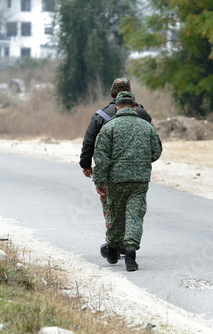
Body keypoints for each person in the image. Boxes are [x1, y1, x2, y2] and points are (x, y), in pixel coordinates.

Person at [79, 78, 152, 252]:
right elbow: (151, 143)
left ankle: (114, 244)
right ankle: (127, 244)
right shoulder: (142, 114)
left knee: (111, 207)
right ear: (130, 93)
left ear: (112, 94)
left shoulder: (100, 115)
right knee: (133, 209)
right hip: (137, 174)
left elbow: (88, 143)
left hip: (111, 173)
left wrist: (86, 165)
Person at [92, 91, 162, 271]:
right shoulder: (146, 127)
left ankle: (113, 250)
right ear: (135, 107)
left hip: (116, 180)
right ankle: (130, 256)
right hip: (139, 180)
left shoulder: (109, 128)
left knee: (116, 214)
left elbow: (101, 158)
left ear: (117, 108)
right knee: (134, 215)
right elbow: (156, 152)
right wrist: (142, 162)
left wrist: (99, 181)